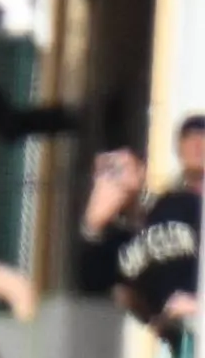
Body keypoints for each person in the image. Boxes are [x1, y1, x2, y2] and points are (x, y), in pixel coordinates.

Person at [78, 119, 205, 338]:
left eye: (122, 168)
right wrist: (93, 224)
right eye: (108, 171)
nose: (115, 177)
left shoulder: (177, 205)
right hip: (180, 342)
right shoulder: (114, 242)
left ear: (141, 171)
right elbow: (94, 283)